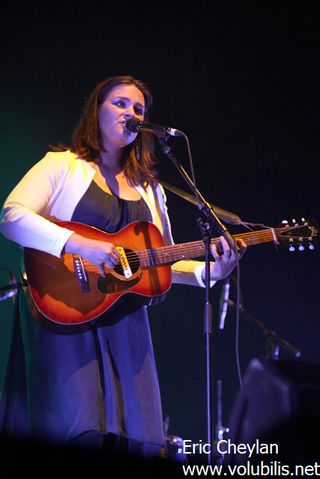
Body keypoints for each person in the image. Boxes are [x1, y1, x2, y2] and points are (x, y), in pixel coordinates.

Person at [0, 75, 246, 460]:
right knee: (77, 431)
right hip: (66, 315)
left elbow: (158, 260)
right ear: (95, 111)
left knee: (135, 440)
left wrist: (209, 272)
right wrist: (83, 245)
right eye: (119, 104)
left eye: (138, 109)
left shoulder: (151, 189)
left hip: (126, 324)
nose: (130, 113)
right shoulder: (63, 165)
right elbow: (11, 217)